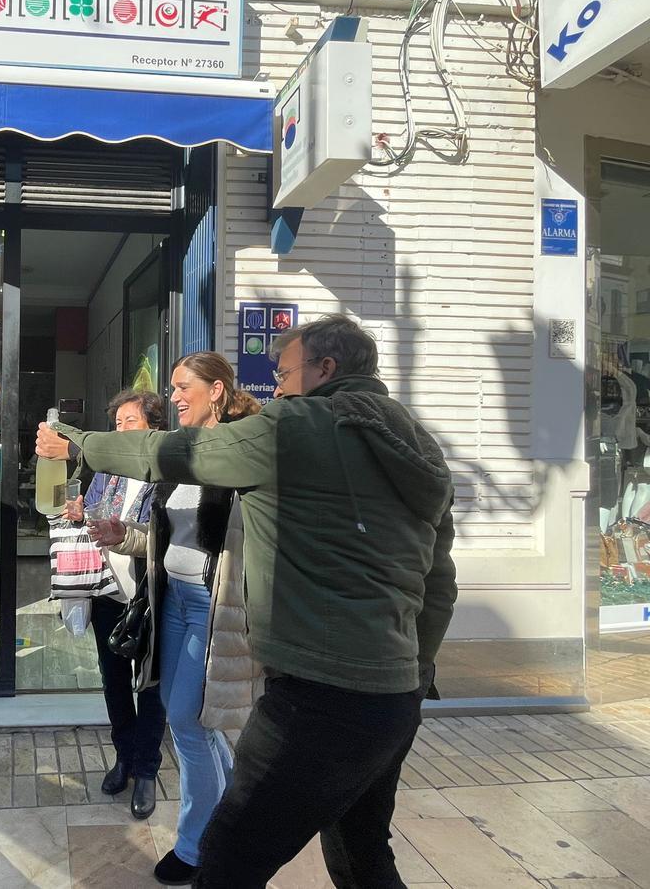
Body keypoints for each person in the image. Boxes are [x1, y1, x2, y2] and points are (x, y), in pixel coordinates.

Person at [36, 315, 458, 888]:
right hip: (395, 691)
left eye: (284, 373)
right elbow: (438, 580)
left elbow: (167, 452)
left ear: (325, 369)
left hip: (318, 693)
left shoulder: (294, 427)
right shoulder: (414, 440)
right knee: (362, 856)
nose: (276, 387)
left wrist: (80, 441)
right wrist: (415, 664)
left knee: (227, 860)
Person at [75, 354, 261, 885]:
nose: (175, 396)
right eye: (172, 388)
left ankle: (196, 846)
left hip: (211, 605)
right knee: (194, 725)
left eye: (184, 388)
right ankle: (230, 823)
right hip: (170, 602)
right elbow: (167, 538)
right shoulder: (179, 456)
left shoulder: (241, 453)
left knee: (185, 722)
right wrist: (125, 538)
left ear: (217, 391)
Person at [62, 389, 167, 821]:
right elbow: (93, 512)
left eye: (130, 422)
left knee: (151, 686)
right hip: (106, 588)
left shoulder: (166, 472)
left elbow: (165, 536)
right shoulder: (105, 470)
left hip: (149, 592)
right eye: (118, 423)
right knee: (113, 681)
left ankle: (146, 769)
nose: (121, 430)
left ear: (153, 428)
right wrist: (78, 510)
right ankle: (124, 756)